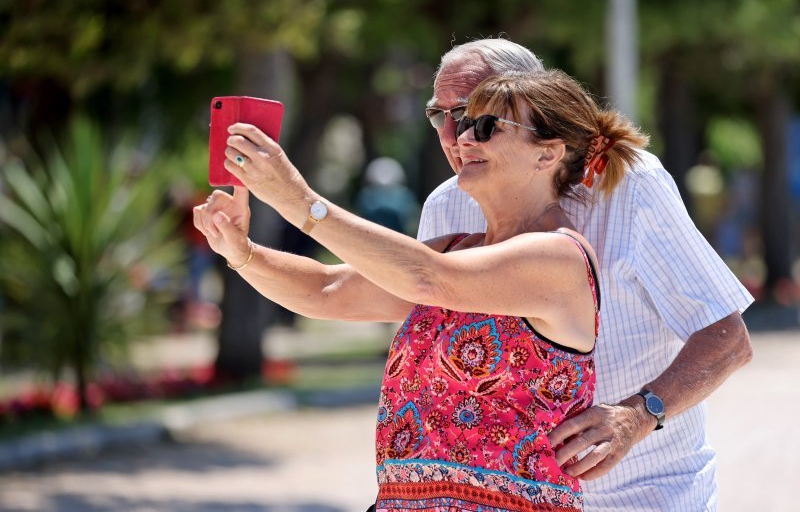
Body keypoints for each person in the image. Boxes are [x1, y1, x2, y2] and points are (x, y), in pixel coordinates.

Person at [193, 69, 648, 510]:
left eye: (487, 126)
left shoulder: (558, 257)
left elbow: (429, 278)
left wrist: (295, 197)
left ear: (547, 154)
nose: (463, 138)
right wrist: (239, 250)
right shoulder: (454, 250)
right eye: (466, 124)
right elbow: (327, 289)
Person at [418, 38, 753, 511]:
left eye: (475, 115)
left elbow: (727, 336)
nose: (455, 136)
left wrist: (638, 415)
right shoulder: (446, 206)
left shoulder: (630, 185)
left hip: (643, 496)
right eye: (439, 116)